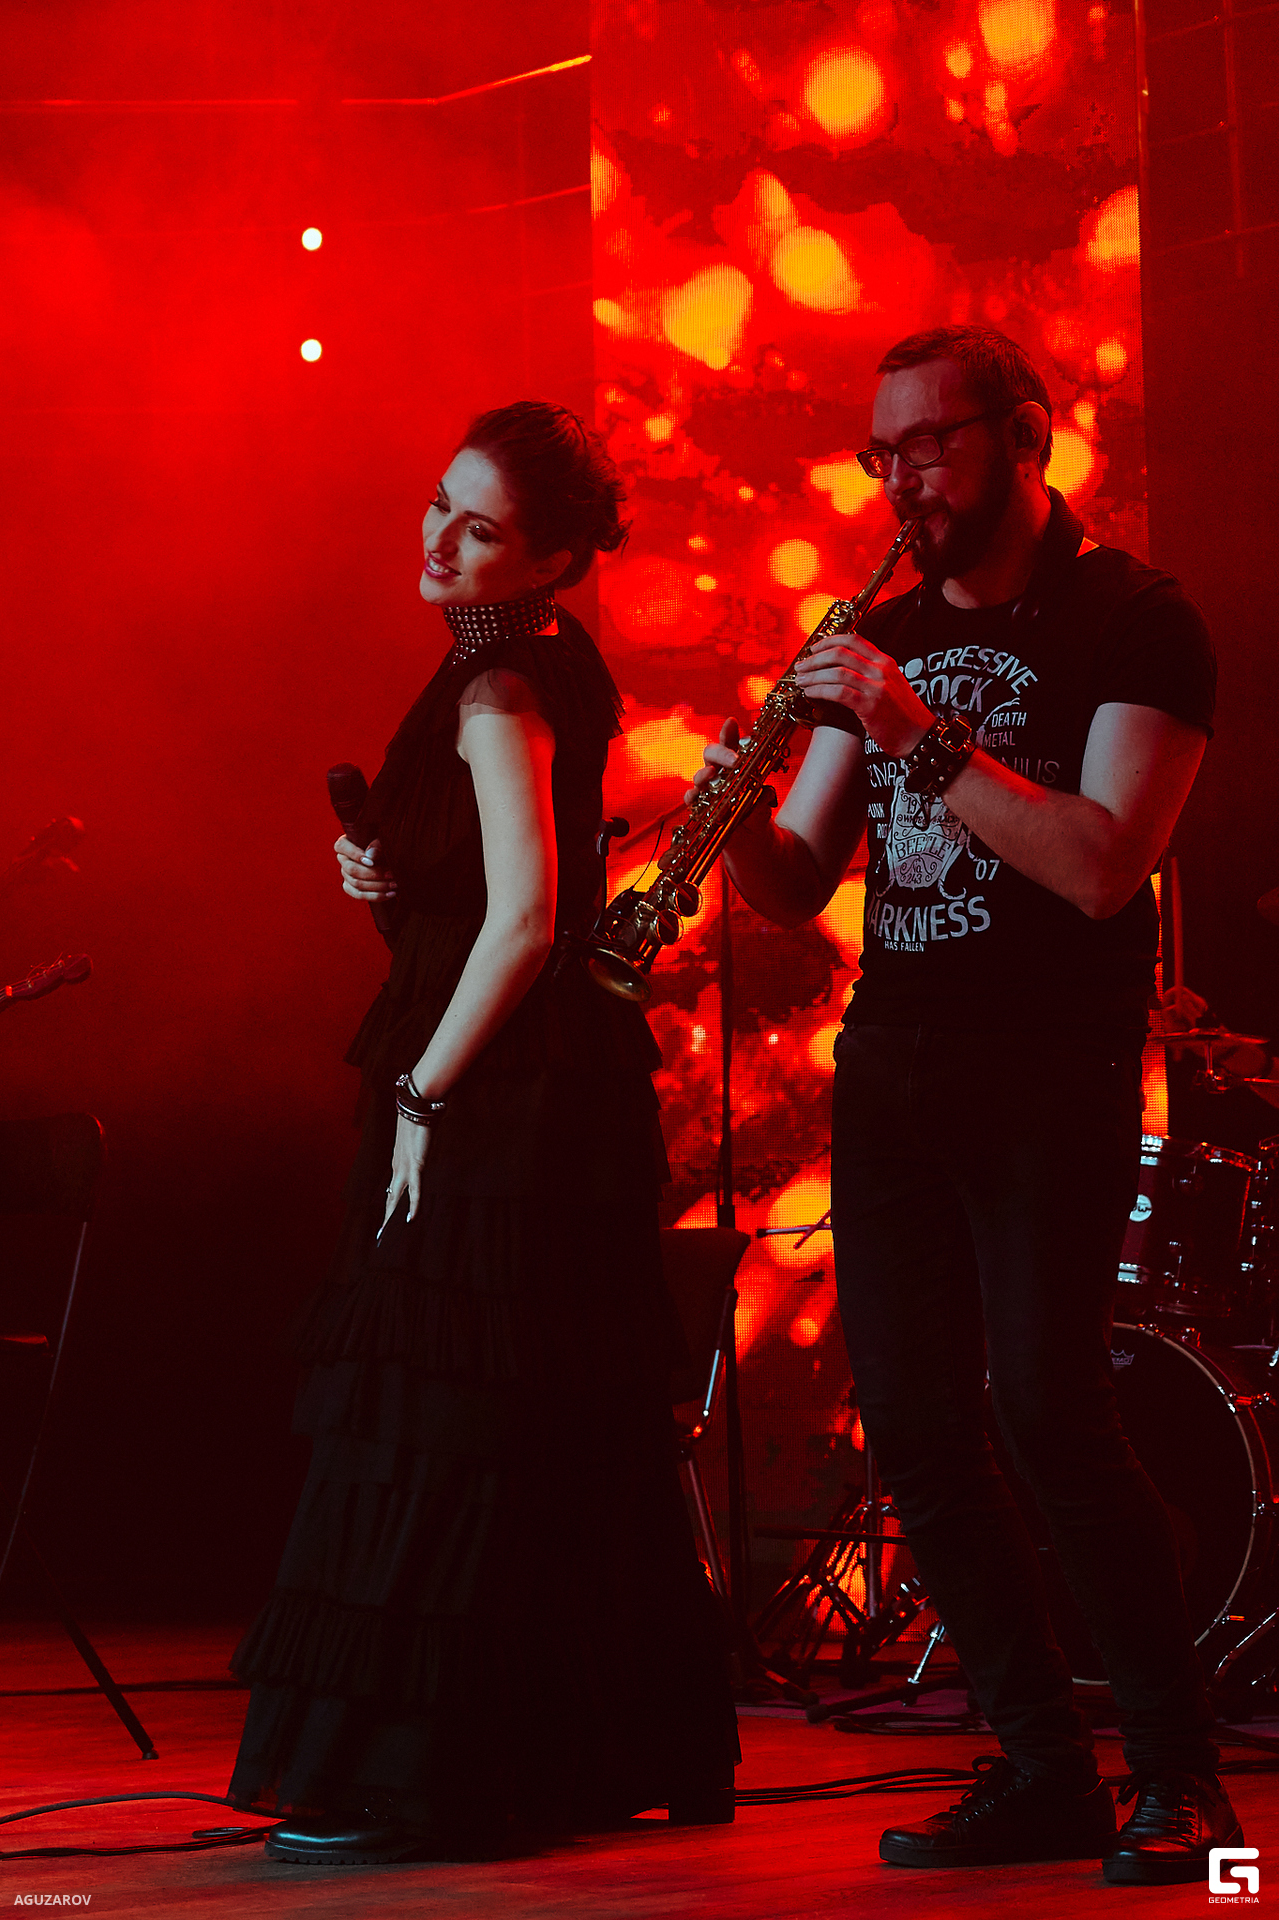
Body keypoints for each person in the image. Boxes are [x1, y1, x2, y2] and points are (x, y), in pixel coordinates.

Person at [692, 327, 1237, 1886]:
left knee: (1052, 1413)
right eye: (884, 455)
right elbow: (803, 878)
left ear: (1028, 436)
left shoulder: (1135, 620)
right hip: (896, 1062)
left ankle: (1185, 1785)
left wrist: (913, 727)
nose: (902, 483)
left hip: (1051, 1063)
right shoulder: (882, 632)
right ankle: (1044, 1770)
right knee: (922, 1433)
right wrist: (735, 810)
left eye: (929, 446)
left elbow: (1101, 865)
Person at [229, 401, 738, 1864]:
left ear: (555, 559)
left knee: (443, 1416)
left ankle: (415, 1774)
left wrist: (422, 1094)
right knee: (541, 1424)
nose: (441, 540)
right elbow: (494, 896)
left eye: (482, 528)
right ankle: (560, 1756)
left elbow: (527, 924)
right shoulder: (528, 658)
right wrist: (397, 882)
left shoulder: (500, 679)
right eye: (439, 502)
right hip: (530, 1084)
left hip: (502, 1096)